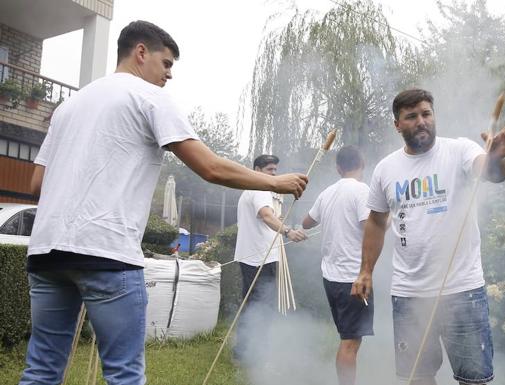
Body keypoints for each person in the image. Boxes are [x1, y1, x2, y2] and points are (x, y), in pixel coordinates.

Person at [21, 20, 308, 385]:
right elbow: (209, 167)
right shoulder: (148, 97)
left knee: (42, 370)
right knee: (124, 374)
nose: (169, 75)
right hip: (106, 254)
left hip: (47, 253)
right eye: (167, 63)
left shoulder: (68, 107)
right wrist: (274, 181)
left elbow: (36, 184)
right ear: (141, 52)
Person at [351, 89, 505, 385]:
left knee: (474, 379)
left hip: (462, 289)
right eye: (411, 117)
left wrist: (495, 159)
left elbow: (491, 171)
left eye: (426, 113)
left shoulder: (460, 150)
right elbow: (376, 221)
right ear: (397, 125)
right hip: (409, 292)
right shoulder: (386, 169)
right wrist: (365, 270)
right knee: (418, 377)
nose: (421, 121)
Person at [301, 145, 373, 385]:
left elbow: (307, 222)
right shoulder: (362, 190)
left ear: (338, 168)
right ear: (362, 164)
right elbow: (369, 227)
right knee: (350, 342)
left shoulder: (327, 193)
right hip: (353, 278)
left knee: (347, 337)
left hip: (330, 278)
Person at [233, 154, 307, 361]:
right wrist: (287, 231)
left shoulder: (253, 189)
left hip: (257, 255)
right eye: (269, 170)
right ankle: (248, 352)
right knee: (259, 304)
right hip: (259, 257)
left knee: (256, 303)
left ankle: (250, 349)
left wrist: (278, 221)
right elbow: (265, 215)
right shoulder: (260, 189)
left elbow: (267, 216)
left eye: (275, 170)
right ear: (257, 170)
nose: (274, 174)